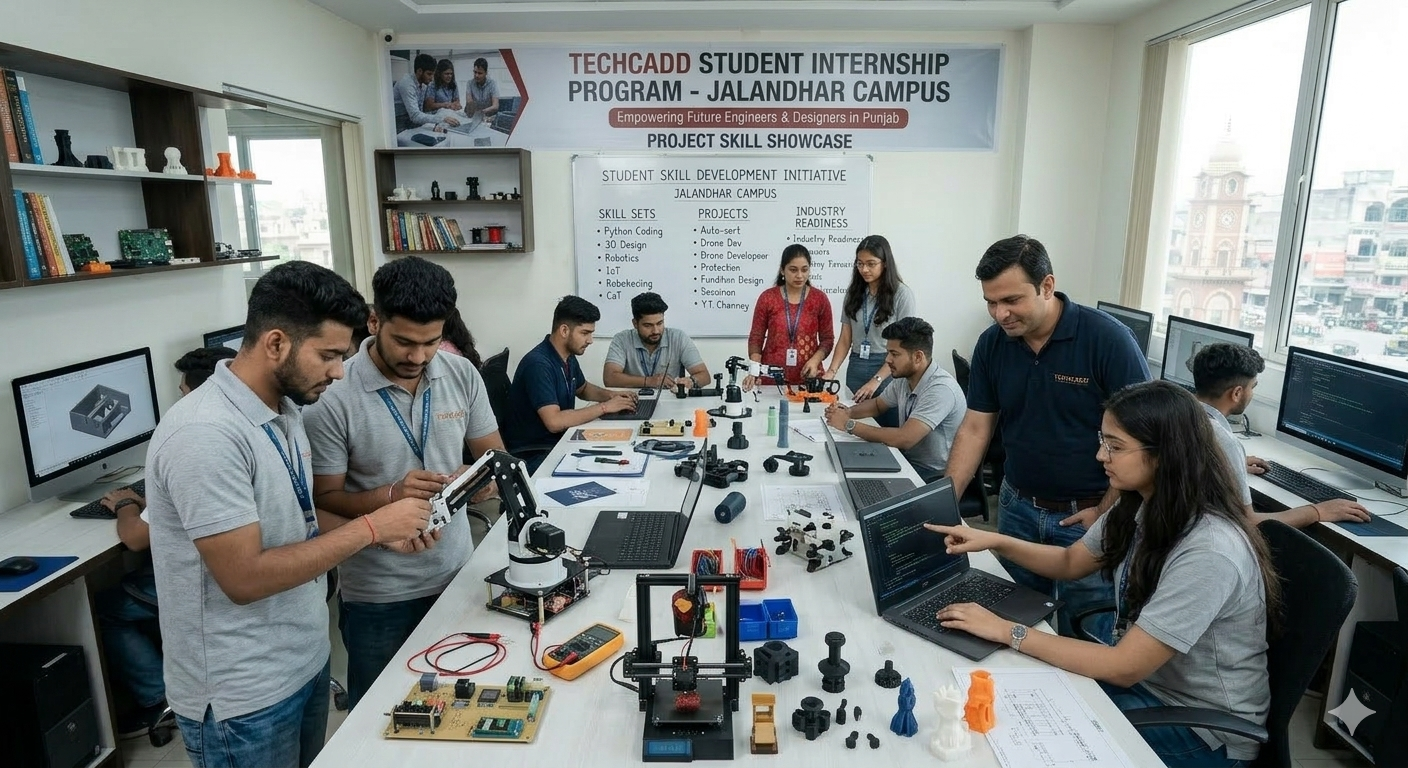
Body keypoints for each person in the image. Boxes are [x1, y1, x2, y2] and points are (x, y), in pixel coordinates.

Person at [146, 261, 433, 768]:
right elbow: (244, 577)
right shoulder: (206, 434)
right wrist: (371, 526)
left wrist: (376, 536)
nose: (339, 371)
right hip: (244, 696)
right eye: (327, 355)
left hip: (303, 660)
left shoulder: (284, 409)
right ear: (275, 343)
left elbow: (299, 517)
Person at [928, 381, 1279, 767]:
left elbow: (1123, 666)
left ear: (1163, 455)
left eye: (1115, 446)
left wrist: (1005, 630)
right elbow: (1070, 563)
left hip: (1201, 730)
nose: (1100, 455)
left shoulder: (1211, 550)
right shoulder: (1141, 504)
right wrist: (992, 540)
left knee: (1022, 742)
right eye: (1103, 440)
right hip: (1150, 687)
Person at [304, 256, 504, 710]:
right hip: (380, 595)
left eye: (431, 342)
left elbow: (493, 458)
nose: (417, 356)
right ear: (374, 321)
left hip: (457, 575)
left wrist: (479, 483)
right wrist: (391, 497)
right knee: (382, 717)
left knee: (462, 710)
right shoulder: (333, 395)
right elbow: (323, 499)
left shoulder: (461, 373)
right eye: (404, 342)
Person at [944, 235, 1150, 639]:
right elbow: (975, 427)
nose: (1000, 314)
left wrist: (1107, 512)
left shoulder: (1107, 340)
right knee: (1012, 624)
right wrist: (943, 499)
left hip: (1090, 515)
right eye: (991, 302)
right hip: (1018, 508)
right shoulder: (992, 345)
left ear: (1047, 286)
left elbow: (1143, 439)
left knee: (1086, 632)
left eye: (1011, 301)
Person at [96, 346, 237, 736]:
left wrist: (126, 504)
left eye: (181, 391)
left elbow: (136, 539)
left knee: (107, 608)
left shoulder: (193, 441)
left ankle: (154, 698)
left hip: (207, 584)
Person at [1191, 343, 1370, 527]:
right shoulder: (1224, 443)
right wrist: (1317, 511)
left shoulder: (1178, 415)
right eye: (1253, 386)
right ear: (1237, 393)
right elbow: (1247, 521)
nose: (1252, 393)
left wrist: (1230, 465)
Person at [823, 317, 964, 483]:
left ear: (918, 357)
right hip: (908, 460)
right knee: (839, 466)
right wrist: (847, 412)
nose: (887, 359)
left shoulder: (940, 389)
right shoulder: (905, 379)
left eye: (894, 354)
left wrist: (848, 424)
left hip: (932, 475)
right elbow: (877, 405)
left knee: (859, 483)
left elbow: (904, 439)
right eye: (888, 352)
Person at [504, 296, 637, 472]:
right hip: (536, 454)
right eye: (585, 333)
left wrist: (612, 396)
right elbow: (554, 421)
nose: (590, 340)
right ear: (564, 330)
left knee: (623, 452)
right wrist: (605, 407)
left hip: (559, 442)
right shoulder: (538, 364)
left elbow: (583, 389)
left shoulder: (566, 356)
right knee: (610, 467)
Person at [825, 235, 916, 427]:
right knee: (852, 425)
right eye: (860, 264)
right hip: (857, 364)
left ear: (885, 263)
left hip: (888, 368)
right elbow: (845, 338)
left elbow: (904, 346)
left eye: (871, 264)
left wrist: (877, 379)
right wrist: (831, 371)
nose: (864, 269)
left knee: (886, 428)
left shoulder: (902, 294)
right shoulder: (854, 293)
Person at [744, 244, 835, 388]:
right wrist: (754, 369)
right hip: (771, 379)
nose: (799, 275)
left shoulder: (819, 299)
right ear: (782, 270)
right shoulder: (767, 298)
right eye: (793, 270)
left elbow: (827, 340)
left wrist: (815, 361)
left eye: (804, 270)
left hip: (808, 379)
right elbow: (756, 337)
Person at [603, 292, 710, 390]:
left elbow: (704, 376)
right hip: (632, 401)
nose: (655, 331)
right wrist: (649, 381)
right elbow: (609, 378)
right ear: (635, 323)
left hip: (672, 402)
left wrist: (691, 381)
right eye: (648, 325)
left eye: (660, 323)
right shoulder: (622, 339)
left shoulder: (678, 337)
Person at [393, 53, 459, 133]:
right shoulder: (407, 84)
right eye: (429, 74)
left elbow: (421, 113)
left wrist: (438, 122)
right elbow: (415, 116)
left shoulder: (423, 85)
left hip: (412, 121)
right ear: (419, 71)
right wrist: (442, 118)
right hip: (399, 124)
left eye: (433, 74)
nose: (431, 79)